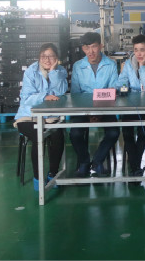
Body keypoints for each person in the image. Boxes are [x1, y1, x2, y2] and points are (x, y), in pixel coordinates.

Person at [14, 43, 68, 191]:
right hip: (27, 116)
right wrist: (44, 96)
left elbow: (61, 92)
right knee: (39, 136)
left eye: (51, 56)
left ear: (57, 58)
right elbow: (27, 98)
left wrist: (53, 72)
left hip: (50, 116)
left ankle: (52, 174)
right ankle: (38, 178)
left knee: (57, 135)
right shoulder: (31, 72)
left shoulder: (61, 71)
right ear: (39, 57)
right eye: (44, 56)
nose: (47, 60)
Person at [70, 32, 120, 177]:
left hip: (105, 109)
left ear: (101, 46)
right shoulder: (78, 66)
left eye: (94, 47)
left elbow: (112, 91)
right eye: (87, 48)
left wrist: (99, 112)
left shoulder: (111, 65)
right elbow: (75, 94)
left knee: (114, 132)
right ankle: (84, 162)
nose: (90, 51)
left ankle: (97, 162)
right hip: (83, 110)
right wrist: (88, 113)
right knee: (75, 133)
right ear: (83, 49)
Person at [117, 34, 145, 177]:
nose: (138, 54)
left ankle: (134, 167)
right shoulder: (129, 64)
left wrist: (143, 67)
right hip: (130, 105)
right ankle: (136, 167)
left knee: (142, 133)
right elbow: (121, 82)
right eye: (136, 50)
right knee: (127, 133)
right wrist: (123, 87)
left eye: (142, 50)